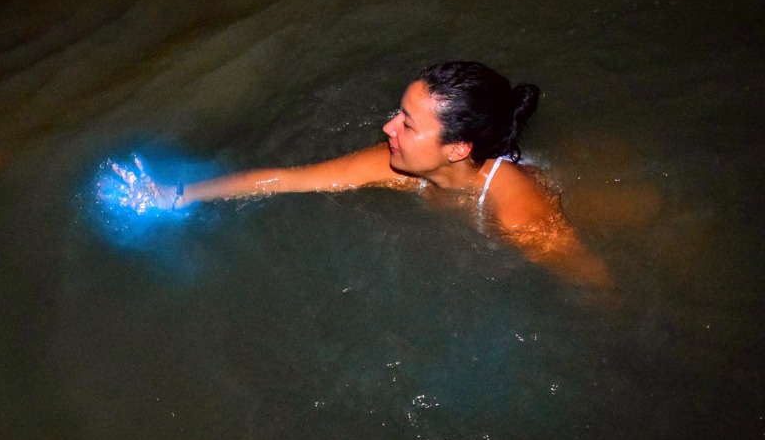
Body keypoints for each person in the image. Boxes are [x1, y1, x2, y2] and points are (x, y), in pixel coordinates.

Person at [110, 61, 610, 286]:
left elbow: (588, 275)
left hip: (602, 208)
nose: (388, 125)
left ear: (457, 149)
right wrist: (179, 195)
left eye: (408, 123)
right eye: (398, 111)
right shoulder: (399, 165)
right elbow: (287, 179)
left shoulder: (519, 211)